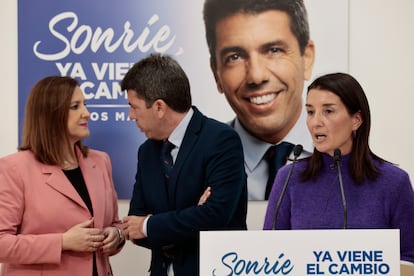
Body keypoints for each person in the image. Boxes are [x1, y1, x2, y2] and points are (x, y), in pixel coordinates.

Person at [263, 72, 414, 263]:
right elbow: (267, 254)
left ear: (356, 120)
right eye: (310, 112)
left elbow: (410, 257)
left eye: (328, 111)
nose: (316, 122)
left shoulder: (394, 182)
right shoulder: (289, 177)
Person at [120, 53, 247, 276]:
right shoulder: (147, 152)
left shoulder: (221, 140)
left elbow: (216, 216)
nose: (131, 116)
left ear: (159, 107)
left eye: (134, 107)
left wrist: (150, 226)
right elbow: (134, 224)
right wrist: (191, 218)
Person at [0, 76, 124, 275]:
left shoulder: (101, 162)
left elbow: (115, 223)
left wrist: (116, 235)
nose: (87, 113)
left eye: (85, 104)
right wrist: (62, 242)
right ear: (50, 113)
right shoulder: (14, 168)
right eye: (75, 106)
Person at [203, 0, 316, 200]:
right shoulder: (194, 165)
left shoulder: (351, 160)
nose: (256, 76)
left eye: (274, 50)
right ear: (215, 74)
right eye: (235, 56)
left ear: (306, 58)